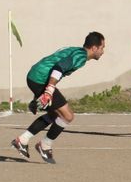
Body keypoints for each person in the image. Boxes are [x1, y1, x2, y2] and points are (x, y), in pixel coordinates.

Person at [10, 32, 106, 164]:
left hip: (36, 76)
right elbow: (58, 68)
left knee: (55, 114)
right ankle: (45, 145)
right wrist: (49, 91)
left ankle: (22, 140)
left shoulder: (75, 51)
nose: (103, 52)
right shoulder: (81, 56)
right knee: (67, 116)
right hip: (40, 79)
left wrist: (40, 94)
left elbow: (52, 63)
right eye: (102, 48)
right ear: (94, 48)